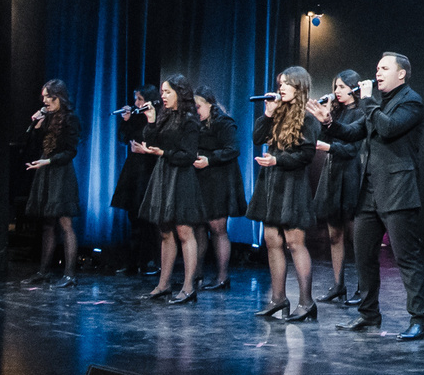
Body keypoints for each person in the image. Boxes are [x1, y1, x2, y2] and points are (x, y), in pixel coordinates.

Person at [333, 51, 424, 338]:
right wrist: (328, 123)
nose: (377, 73)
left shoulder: (411, 101)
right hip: (370, 191)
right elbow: (353, 133)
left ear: (401, 74)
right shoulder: (379, 104)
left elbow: (388, 129)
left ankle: (419, 320)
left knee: (406, 258)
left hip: (399, 190)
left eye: (384, 68)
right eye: (376, 68)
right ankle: (369, 314)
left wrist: (366, 101)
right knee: (363, 255)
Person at [248, 68, 319, 320]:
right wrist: (267, 114)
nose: (281, 87)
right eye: (280, 83)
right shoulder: (276, 113)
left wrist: (277, 160)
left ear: (299, 87)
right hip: (272, 185)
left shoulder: (308, 119)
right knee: (271, 240)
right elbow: (257, 137)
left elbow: (306, 155)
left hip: (293, 184)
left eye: (287, 83)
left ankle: (307, 302)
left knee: (294, 243)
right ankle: (277, 299)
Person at [134, 77, 206, 303]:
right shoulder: (165, 115)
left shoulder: (189, 120)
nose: (163, 96)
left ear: (179, 93)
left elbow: (188, 155)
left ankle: (188, 287)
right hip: (164, 175)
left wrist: (164, 154)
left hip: (181, 177)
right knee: (165, 231)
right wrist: (152, 121)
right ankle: (163, 284)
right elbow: (151, 140)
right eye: (162, 92)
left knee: (184, 232)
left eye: (167, 92)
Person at [308, 70, 365, 304]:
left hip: (350, 176)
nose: (337, 91)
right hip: (332, 175)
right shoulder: (335, 112)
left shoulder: (361, 113)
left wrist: (328, 148)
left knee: (356, 238)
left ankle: (363, 287)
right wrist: (325, 118)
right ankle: (338, 285)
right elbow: (324, 137)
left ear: (354, 88)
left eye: (342, 87)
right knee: (334, 235)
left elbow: (352, 150)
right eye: (336, 87)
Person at [21, 80, 81, 286]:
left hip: (61, 173)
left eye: (49, 97)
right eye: (44, 97)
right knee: (47, 223)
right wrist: (35, 125)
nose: (45, 101)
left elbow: (71, 152)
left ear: (59, 98)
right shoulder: (46, 119)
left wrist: (49, 160)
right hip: (45, 173)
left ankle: (70, 274)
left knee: (65, 223)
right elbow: (32, 146)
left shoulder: (70, 119)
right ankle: (43, 271)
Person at [188, 82, 242, 290]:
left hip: (220, 180)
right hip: (201, 180)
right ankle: (196, 275)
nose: (196, 111)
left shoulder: (223, 122)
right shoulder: (195, 124)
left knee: (218, 228)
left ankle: (222, 277)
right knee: (199, 227)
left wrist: (209, 159)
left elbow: (233, 149)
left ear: (210, 104)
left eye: (198, 107)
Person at [109, 87, 157, 275]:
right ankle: (133, 262)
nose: (137, 103)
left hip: (149, 169)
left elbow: (158, 143)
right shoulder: (137, 117)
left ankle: (150, 261)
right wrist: (127, 121)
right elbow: (123, 139)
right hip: (134, 169)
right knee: (134, 217)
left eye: (140, 99)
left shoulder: (155, 117)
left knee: (148, 219)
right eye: (136, 99)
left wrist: (146, 149)